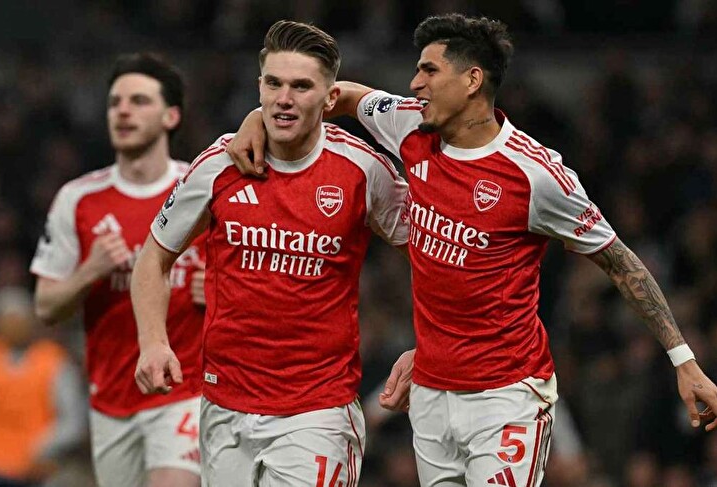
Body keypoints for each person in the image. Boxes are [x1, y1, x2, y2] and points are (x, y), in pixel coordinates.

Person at [227, 13, 717, 487]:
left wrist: (684, 360)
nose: (414, 83)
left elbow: (621, 262)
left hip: (506, 398)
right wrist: (256, 118)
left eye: (429, 70)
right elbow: (346, 96)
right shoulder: (409, 125)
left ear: (472, 81)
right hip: (431, 397)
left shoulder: (537, 175)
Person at [131, 20, 409, 487]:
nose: (284, 98)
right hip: (223, 403)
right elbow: (153, 258)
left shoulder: (363, 170)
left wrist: (430, 344)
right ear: (258, 86)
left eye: (301, 86)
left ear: (330, 98)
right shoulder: (219, 165)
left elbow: (432, 254)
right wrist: (154, 341)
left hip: (318, 411)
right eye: (274, 83)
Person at [30, 53, 205, 487]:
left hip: (187, 389)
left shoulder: (202, 189)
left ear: (171, 116)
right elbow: (46, 307)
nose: (123, 111)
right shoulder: (78, 199)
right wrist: (89, 271)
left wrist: (223, 288)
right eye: (115, 102)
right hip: (111, 397)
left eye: (139, 101)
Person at [0, 287, 85, 487]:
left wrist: (43, 449)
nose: (13, 326)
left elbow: (73, 420)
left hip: (37, 467)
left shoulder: (54, 361)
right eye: (7, 319)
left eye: (19, 319)